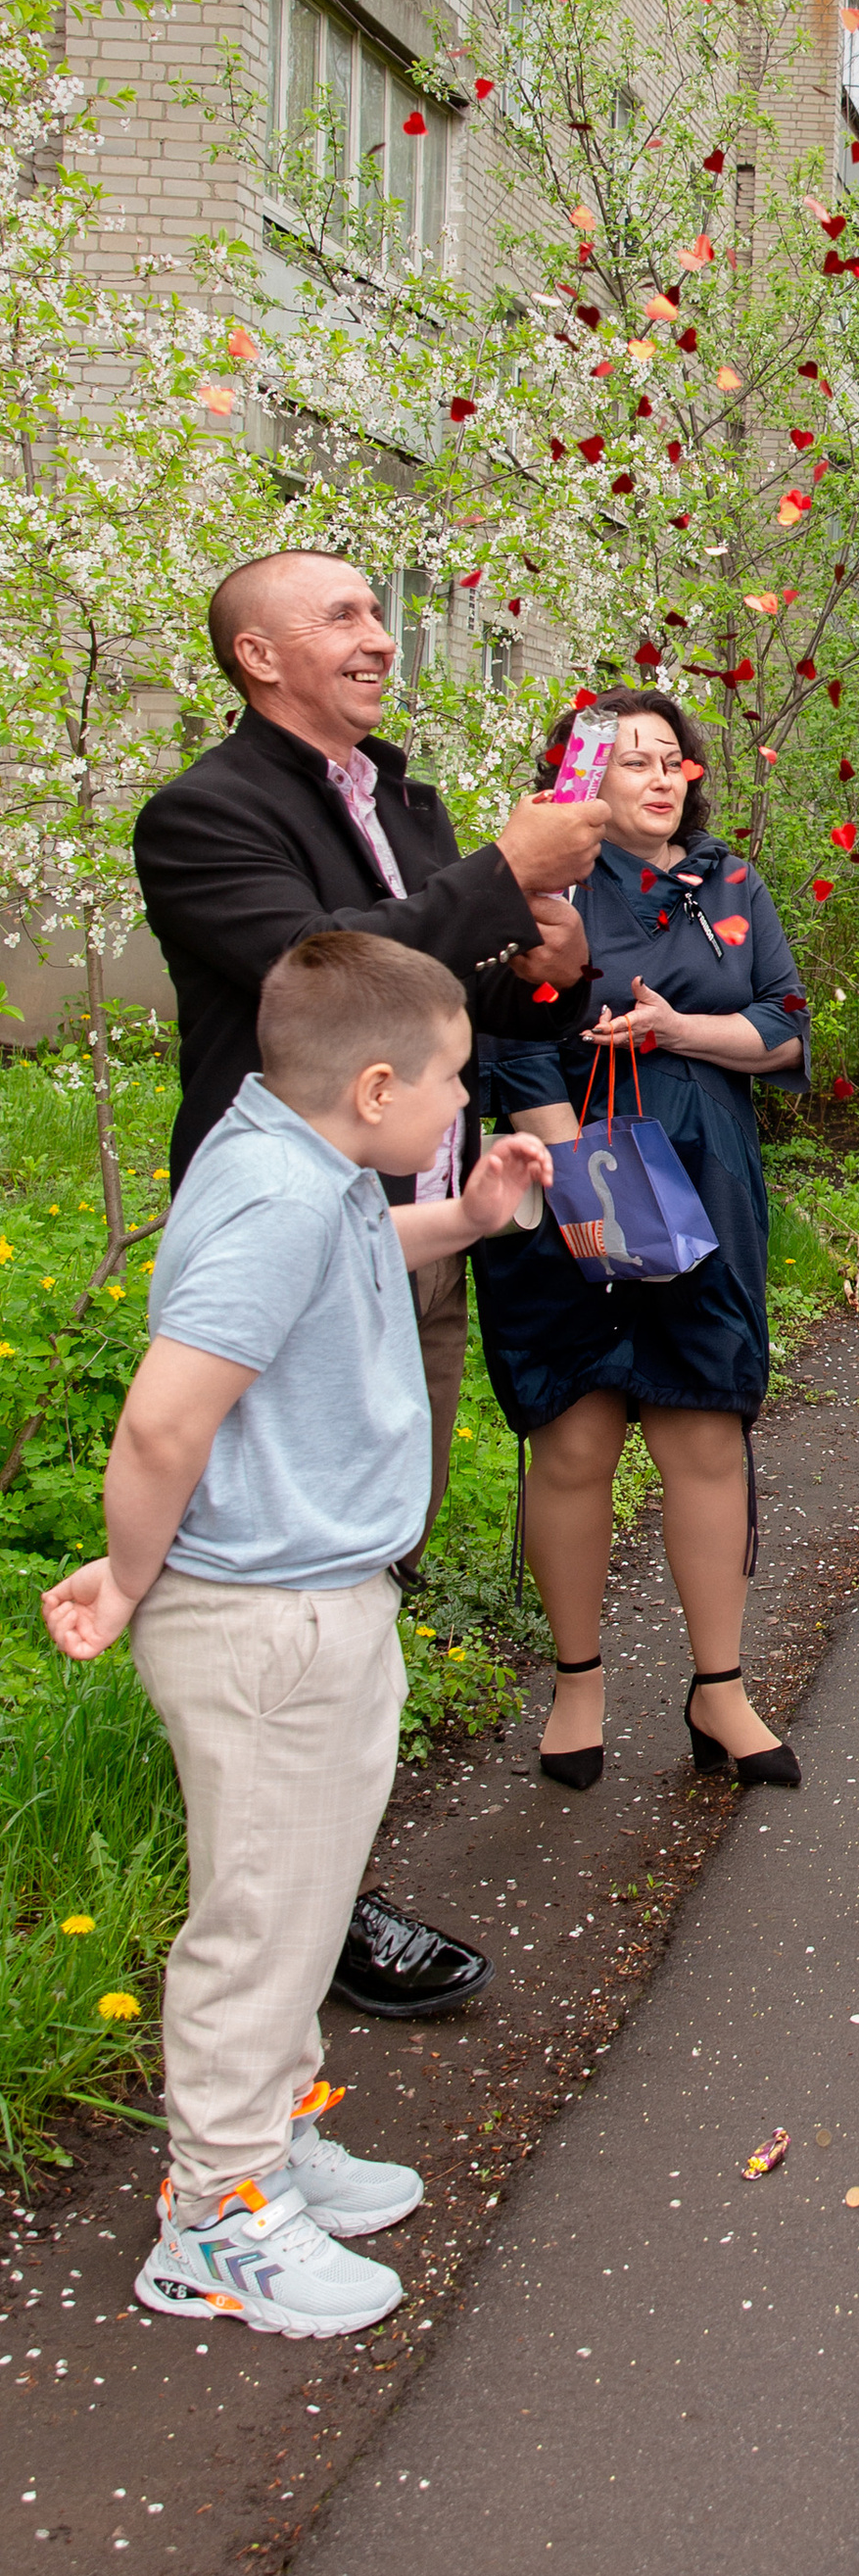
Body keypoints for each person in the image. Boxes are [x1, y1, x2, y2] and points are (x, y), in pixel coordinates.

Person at [40, 931, 550, 2340]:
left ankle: (268, 2137)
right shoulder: (275, 1193)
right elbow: (163, 1417)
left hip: (319, 1597)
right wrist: (133, 1578)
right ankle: (214, 2214)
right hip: (267, 1617)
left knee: (310, 1899)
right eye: (453, 1084)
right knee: (263, 1922)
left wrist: (463, 1215)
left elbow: (342, 1259)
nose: (467, 1106)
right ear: (376, 1084)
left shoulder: (302, 1162)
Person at [133, 551, 602, 2023]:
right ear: (257, 656)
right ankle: (279, 1914)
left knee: (368, 1552)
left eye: (376, 613)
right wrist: (499, 877)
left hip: (417, 1229)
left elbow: (441, 1001)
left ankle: (323, 1876)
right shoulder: (206, 814)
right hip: (292, 1248)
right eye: (339, 615)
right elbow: (311, 985)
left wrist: (548, 956)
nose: (378, 638)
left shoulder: (402, 804)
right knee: (274, 1577)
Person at [472, 691, 811, 1792]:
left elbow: (782, 1024)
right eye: (633, 763)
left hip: (703, 1176)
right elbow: (507, 1047)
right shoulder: (536, 889)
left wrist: (675, 1028)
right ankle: (578, 1683)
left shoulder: (733, 885)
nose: (664, 779)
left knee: (704, 1431)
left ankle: (721, 1690)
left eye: (675, 760)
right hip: (568, 1169)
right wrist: (585, 1189)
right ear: (584, 784)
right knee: (574, 1442)